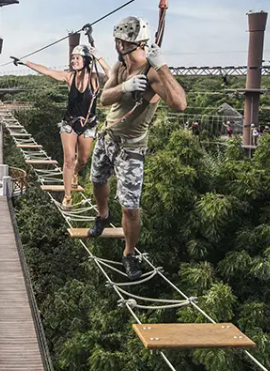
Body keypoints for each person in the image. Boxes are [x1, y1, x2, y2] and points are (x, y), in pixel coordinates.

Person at [88, 16, 187, 279]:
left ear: (122, 44)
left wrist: (162, 66)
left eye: (117, 42)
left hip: (131, 148)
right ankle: (103, 215)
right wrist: (125, 87)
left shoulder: (152, 73)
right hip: (107, 138)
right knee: (97, 181)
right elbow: (103, 99)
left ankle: (129, 253)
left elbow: (179, 104)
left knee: (130, 207)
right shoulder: (120, 68)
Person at [11, 44, 109, 207]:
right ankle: (67, 196)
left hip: (88, 125)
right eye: (72, 58)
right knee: (69, 159)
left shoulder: (95, 78)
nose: (73, 61)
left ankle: (76, 171)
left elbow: (112, 76)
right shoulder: (69, 77)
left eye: (77, 58)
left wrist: (100, 58)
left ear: (86, 60)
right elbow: (47, 71)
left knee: (83, 159)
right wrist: (25, 62)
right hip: (69, 123)